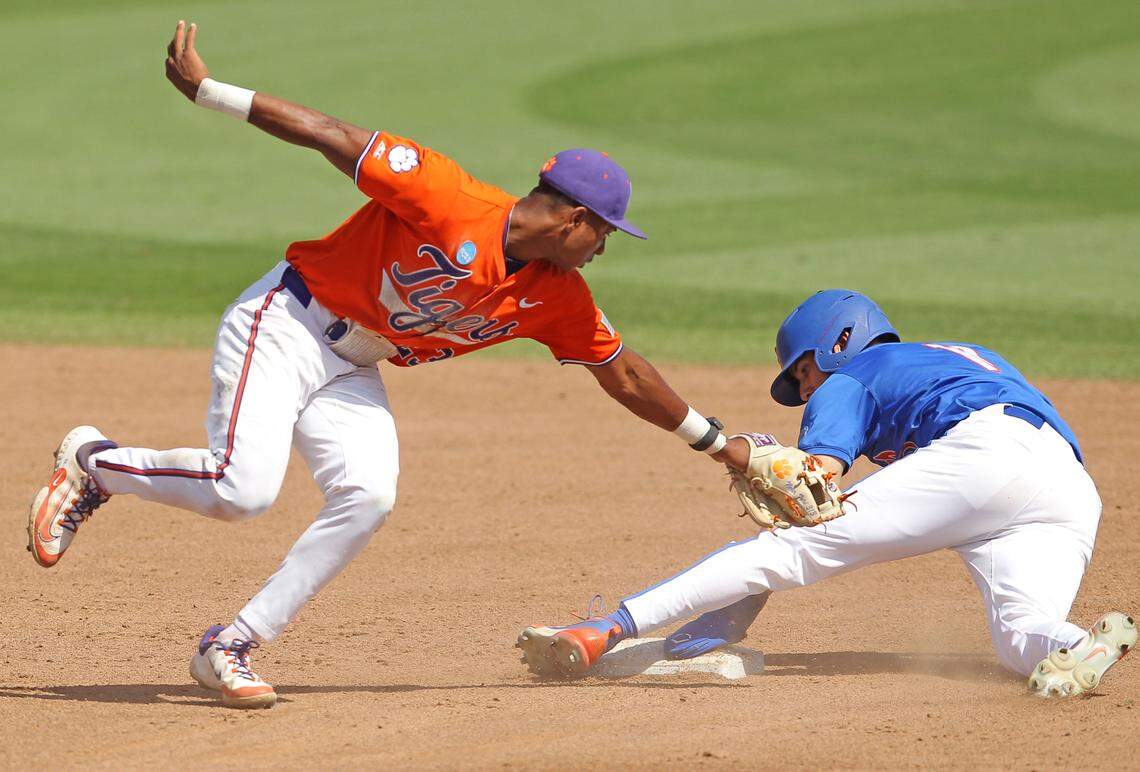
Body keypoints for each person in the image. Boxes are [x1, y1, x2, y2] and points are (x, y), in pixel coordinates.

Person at [26, 21, 746, 709]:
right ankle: (96, 463)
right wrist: (213, 92)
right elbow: (330, 136)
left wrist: (715, 443)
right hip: (288, 323)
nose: (603, 249)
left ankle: (232, 643)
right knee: (241, 491)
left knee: (367, 496)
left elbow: (623, 371)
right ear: (573, 220)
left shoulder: (557, 296)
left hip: (353, 367)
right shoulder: (446, 196)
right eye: (605, 233)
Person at [516, 289, 1136, 698]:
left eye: (803, 373)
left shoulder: (853, 375)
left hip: (984, 459)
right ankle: (1079, 645)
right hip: (1067, 488)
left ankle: (606, 628)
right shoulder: (963, 356)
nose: (807, 390)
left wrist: (765, 477)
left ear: (837, 344)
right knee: (1020, 634)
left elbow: (812, 485)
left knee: (788, 549)